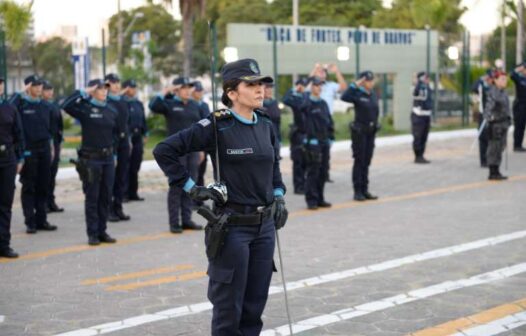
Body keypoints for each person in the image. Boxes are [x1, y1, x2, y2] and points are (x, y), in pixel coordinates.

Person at [153, 58, 287, 336]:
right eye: (251, 84)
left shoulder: (265, 124)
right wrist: (192, 187)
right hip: (232, 229)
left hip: (264, 228)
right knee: (229, 309)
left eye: (261, 83)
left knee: (254, 307)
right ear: (232, 93)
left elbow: (274, 165)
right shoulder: (216, 125)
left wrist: (279, 194)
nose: (260, 89)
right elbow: (164, 150)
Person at [61, 79, 120, 245]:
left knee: (105, 196)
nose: (104, 91)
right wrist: (84, 91)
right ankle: (92, 233)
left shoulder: (111, 109)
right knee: (92, 197)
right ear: (93, 91)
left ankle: (102, 231)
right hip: (91, 160)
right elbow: (66, 105)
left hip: (108, 159)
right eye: (100, 88)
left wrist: (114, 155)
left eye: (105, 89)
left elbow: (115, 134)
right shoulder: (85, 108)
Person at [149, 77, 205, 233]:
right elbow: (153, 106)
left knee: (191, 184)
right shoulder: (170, 104)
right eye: (184, 88)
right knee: (176, 186)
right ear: (177, 90)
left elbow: (201, 129)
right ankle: (174, 222)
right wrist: (166, 90)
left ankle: (187, 220)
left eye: (189, 88)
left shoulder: (195, 105)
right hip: (176, 152)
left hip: (192, 151)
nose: (188, 90)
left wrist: (201, 150)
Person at [9, 75, 57, 233]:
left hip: (44, 148)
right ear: (28, 87)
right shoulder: (21, 104)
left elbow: (49, 129)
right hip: (29, 150)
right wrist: (21, 92)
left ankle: (42, 219)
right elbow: (9, 106)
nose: (39, 88)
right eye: (35, 86)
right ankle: (30, 222)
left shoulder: (45, 105)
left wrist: (51, 147)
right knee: (29, 186)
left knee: (43, 185)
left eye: (40, 85)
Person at [341, 71, 380, 202]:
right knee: (359, 161)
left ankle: (365, 189)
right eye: (367, 80)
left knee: (367, 162)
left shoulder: (373, 94)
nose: (370, 82)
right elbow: (344, 97)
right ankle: (357, 191)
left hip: (370, 133)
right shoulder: (357, 94)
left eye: (371, 80)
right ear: (363, 81)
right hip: (360, 133)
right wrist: (355, 85)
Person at [301, 77, 334, 210]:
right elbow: (300, 106)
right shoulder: (307, 103)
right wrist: (305, 92)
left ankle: (320, 198)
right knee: (313, 172)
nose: (319, 88)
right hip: (312, 143)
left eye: (321, 85)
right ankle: (311, 200)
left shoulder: (323, 103)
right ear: (311, 87)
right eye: (316, 85)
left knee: (323, 171)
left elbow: (329, 121)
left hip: (324, 142)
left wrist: (331, 137)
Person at [0, 77, 24, 258]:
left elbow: (19, 135)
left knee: (5, 204)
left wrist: (20, 158)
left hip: (7, 160)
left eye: (0, 83)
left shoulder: (10, 108)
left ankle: (4, 244)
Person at [105, 73, 131, 222]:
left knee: (121, 177)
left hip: (123, 142)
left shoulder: (123, 101)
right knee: (110, 179)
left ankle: (118, 207)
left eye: (117, 82)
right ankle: (108, 210)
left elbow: (126, 122)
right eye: (112, 82)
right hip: (111, 142)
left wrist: (128, 140)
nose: (116, 85)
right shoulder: (106, 101)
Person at [122, 79, 147, 202]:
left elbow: (143, 119)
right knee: (126, 166)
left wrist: (145, 133)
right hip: (128, 137)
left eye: (134, 87)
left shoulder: (138, 103)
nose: (134, 89)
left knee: (135, 166)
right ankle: (124, 193)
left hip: (138, 137)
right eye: (131, 87)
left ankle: (133, 192)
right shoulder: (122, 103)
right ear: (126, 89)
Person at [283, 77, 309, 194]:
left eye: (304, 85)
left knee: (306, 161)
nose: (302, 87)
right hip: (298, 133)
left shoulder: (307, 97)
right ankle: (298, 187)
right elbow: (285, 99)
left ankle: (305, 184)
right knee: (298, 161)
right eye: (300, 85)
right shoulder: (294, 98)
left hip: (308, 132)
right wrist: (294, 89)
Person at [484, 70, 512, 180]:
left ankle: (497, 170)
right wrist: (489, 118)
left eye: (505, 79)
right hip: (495, 125)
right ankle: (492, 172)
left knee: (500, 147)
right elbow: (488, 108)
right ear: (495, 80)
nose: (505, 81)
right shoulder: (493, 92)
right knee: (494, 148)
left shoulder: (503, 92)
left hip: (503, 124)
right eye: (502, 79)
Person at [42, 80, 65, 212]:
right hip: (45, 143)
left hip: (55, 142)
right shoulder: (41, 106)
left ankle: (51, 201)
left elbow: (60, 126)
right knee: (45, 175)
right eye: (47, 90)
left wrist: (59, 143)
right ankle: (43, 203)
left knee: (53, 174)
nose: (50, 92)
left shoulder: (55, 106)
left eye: (51, 90)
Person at [471, 69, 494, 167]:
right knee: (483, 138)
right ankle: (483, 161)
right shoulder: (481, 86)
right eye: (490, 77)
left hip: (492, 116)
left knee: (491, 138)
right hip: (483, 115)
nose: (491, 79)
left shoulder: (493, 86)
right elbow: (473, 88)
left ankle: (490, 158)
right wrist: (481, 79)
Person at [192, 81, 211, 192]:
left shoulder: (204, 105)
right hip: (194, 140)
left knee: (201, 171)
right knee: (194, 171)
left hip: (204, 141)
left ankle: (199, 198)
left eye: (200, 90)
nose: (199, 93)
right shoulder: (191, 105)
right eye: (197, 91)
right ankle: (193, 199)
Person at [411, 71, 433, 164]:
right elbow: (415, 93)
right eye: (425, 78)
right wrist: (419, 82)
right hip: (418, 116)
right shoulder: (418, 86)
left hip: (426, 115)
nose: (428, 79)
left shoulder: (427, 87)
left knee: (424, 136)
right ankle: (418, 156)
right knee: (418, 136)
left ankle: (422, 155)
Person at [510, 63, 526, 152]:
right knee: (519, 126)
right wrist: (519, 68)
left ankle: (519, 145)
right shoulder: (519, 78)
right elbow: (511, 74)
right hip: (519, 106)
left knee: (522, 126)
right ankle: (516, 145)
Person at [263, 83, 282, 156]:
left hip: (274, 136)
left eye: (271, 88)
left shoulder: (274, 103)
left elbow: (278, 122)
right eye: (267, 87)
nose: (269, 90)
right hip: (263, 137)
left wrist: (279, 139)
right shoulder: (257, 105)